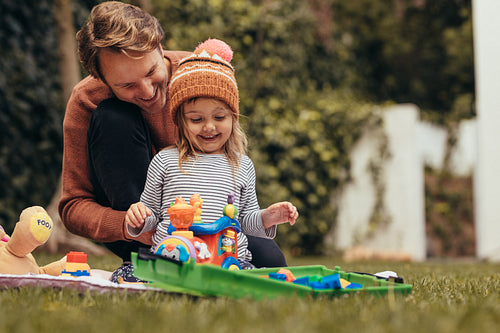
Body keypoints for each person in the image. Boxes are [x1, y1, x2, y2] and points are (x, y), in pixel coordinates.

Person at [58, 2, 288, 279]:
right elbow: (73, 206)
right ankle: (144, 261)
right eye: (127, 85)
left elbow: (228, 146)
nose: (146, 92)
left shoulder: (198, 75)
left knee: (272, 262)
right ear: (102, 79)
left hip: (214, 222)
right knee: (113, 116)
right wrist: (133, 226)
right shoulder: (87, 99)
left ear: (159, 47)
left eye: (150, 72)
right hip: (140, 227)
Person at [125, 39, 299, 268]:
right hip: (173, 260)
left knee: (259, 278)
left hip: (228, 260)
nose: (209, 127)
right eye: (196, 119)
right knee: (127, 274)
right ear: (180, 121)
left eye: (219, 117)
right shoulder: (165, 161)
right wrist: (137, 217)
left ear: (233, 117)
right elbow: (151, 216)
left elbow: (246, 221)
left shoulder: (242, 165)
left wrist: (268, 217)